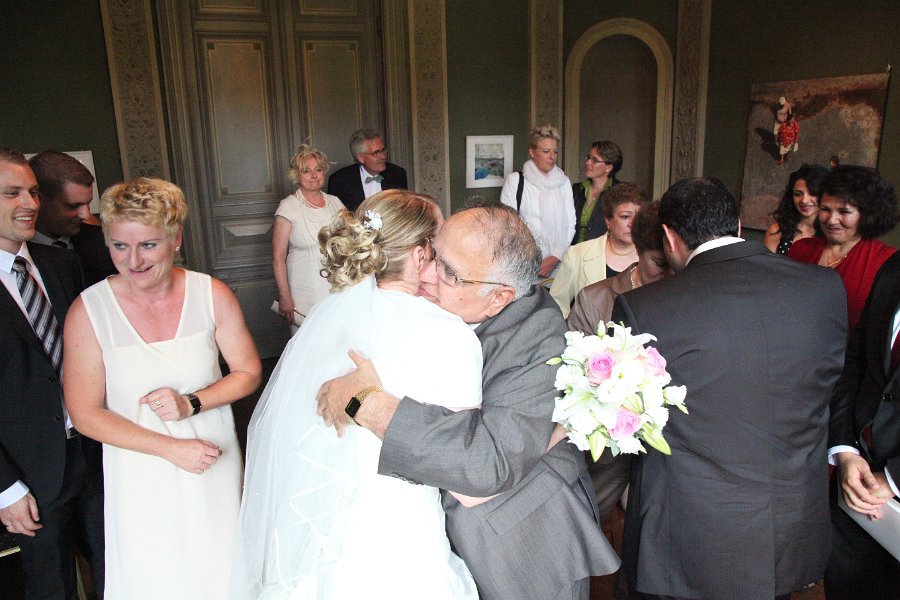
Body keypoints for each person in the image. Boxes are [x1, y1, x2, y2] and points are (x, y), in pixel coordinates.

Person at [315, 202, 620, 600]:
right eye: (432, 252)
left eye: (448, 271)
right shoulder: (416, 306)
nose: (425, 272)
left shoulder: (535, 330)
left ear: (498, 297)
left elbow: (491, 460)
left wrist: (367, 405)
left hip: (518, 546)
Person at [232, 190, 481, 599]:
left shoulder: (328, 320)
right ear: (421, 255)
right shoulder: (449, 333)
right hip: (403, 520)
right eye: (438, 248)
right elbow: (464, 458)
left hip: (330, 517)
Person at [611, 177, 847, 600]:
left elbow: (627, 417)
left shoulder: (644, 308)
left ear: (669, 237)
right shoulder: (824, 288)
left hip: (689, 535)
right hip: (788, 524)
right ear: (737, 225)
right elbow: (829, 385)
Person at [62, 177, 262, 599]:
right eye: (120, 246)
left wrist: (192, 403)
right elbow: (84, 414)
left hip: (212, 460)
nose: (133, 260)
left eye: (148, 245)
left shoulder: (211, 294)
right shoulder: (89, 310)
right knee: (154, 574)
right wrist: (170, 449)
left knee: (221, 567)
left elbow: (248, 371)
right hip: (139, 472)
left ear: (176, 238)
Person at [0, 148, 99, 599]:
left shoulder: (60, 262)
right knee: (52, 586)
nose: (30, 204)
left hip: (93, 451)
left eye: (34, 192)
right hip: (29, 471)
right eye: (12, 193)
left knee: (115, 571)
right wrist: (5, 488)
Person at [825, 251, 900, 599]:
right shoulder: (893, 268)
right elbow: (856, 361)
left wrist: (894, 479)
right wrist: (845, 451)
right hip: (856, 479)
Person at [789, 165, 898, 329]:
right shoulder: (800, 249)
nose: (831, 220)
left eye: (844, 212)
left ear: (867, 214)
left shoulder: (887, 262)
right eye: (825, 209)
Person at [272, 144, 344, 333]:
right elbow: (278, 258)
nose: (314, 175)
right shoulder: (288, 206)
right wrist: (285, 296)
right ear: (296, 175)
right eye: (306, 171)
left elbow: (349, 244)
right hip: (303, 290)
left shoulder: (335, 202)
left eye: (318, 169)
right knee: (307, 341)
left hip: (336, 286)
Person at [550, 182, 647, 318]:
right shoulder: (577, 254)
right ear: (608, 220)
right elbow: (557, 305)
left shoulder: (650, 257)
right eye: (625, 216)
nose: (633, 224)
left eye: (638, 217)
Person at [29, 150, 117, 286]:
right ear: (39, 200)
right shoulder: (18, 254)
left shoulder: (106, 243)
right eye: (73, 206)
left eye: (88, 203)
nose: (86, 215)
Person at [500, 124, 576, 279]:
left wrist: (556, 257)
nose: (552, 157)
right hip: (526, 264)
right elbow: (508, 225)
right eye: (546, 151)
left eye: (555, 152)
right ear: (532, 152)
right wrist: (534, 260)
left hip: (559, 264)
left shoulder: (563, 182)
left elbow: (571, 223)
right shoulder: (516, 181)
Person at [326, 128, 408, 211]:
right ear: (360, 158)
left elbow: (404, 210)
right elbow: (337, 215)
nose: (383, 157)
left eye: (383, 151)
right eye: (376, 153)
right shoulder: (339, 181)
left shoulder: (397, 174)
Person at [764, 163, 828, 255]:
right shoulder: (776, 232)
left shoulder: (833, 234)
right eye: (798, 194)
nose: (804, 200)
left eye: (812, 193)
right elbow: (766, 264)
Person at [572, 140, 623, 244]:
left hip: (602, 251)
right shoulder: (576, 189)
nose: (587, 162)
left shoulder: (619, 192)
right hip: (573, 251)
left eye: (594, 160)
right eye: (588, 157)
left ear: (608, 167)